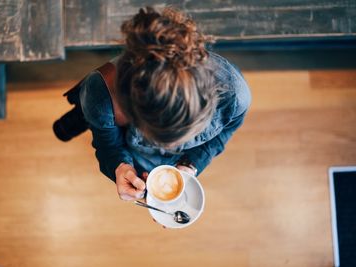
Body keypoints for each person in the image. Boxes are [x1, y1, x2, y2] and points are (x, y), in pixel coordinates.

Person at [53, 6, 251, 202]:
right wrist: (118, 164)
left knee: (97, 115)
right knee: (88, 116)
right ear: (129, 109)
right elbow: (108, 144)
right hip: (102, 106)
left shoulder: (235, 97)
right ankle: (82, 118)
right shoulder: (100, 95)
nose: (172, 150)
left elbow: (226, 131)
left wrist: (190, 164)